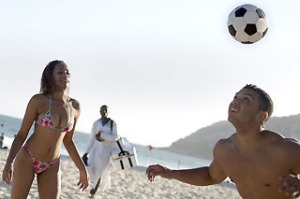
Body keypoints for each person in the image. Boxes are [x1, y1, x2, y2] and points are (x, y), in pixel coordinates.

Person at [146, 84, 300, 199]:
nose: (235, 102)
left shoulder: (285, 150)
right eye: (235, 97)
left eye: (246, 99)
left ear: (262, 116)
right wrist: (169, 173)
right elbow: (211, 176)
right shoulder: (225, 149)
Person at [2, 60, 89, 198]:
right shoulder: (39, 101)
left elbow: (68, 141)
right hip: (28, 159)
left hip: (52, 164)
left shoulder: (75, 106)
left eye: (67, 73)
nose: (64, 75)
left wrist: (82, 169)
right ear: (50, 76)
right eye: (60, 72)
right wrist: (9, 163)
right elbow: (21, 134)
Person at [82, 105, 119, 197]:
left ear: (108, 112)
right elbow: (92, 138)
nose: (104, 112)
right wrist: (86, 152)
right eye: (102, 110)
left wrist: (102, 135)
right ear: (100, 112)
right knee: (89, 166)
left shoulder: (112, 124)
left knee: (100, 171)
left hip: (105, 152)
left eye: (106, 110)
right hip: (95, 150)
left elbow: (115, 137)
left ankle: (94, 190)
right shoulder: (96, 123)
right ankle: (93, 185)